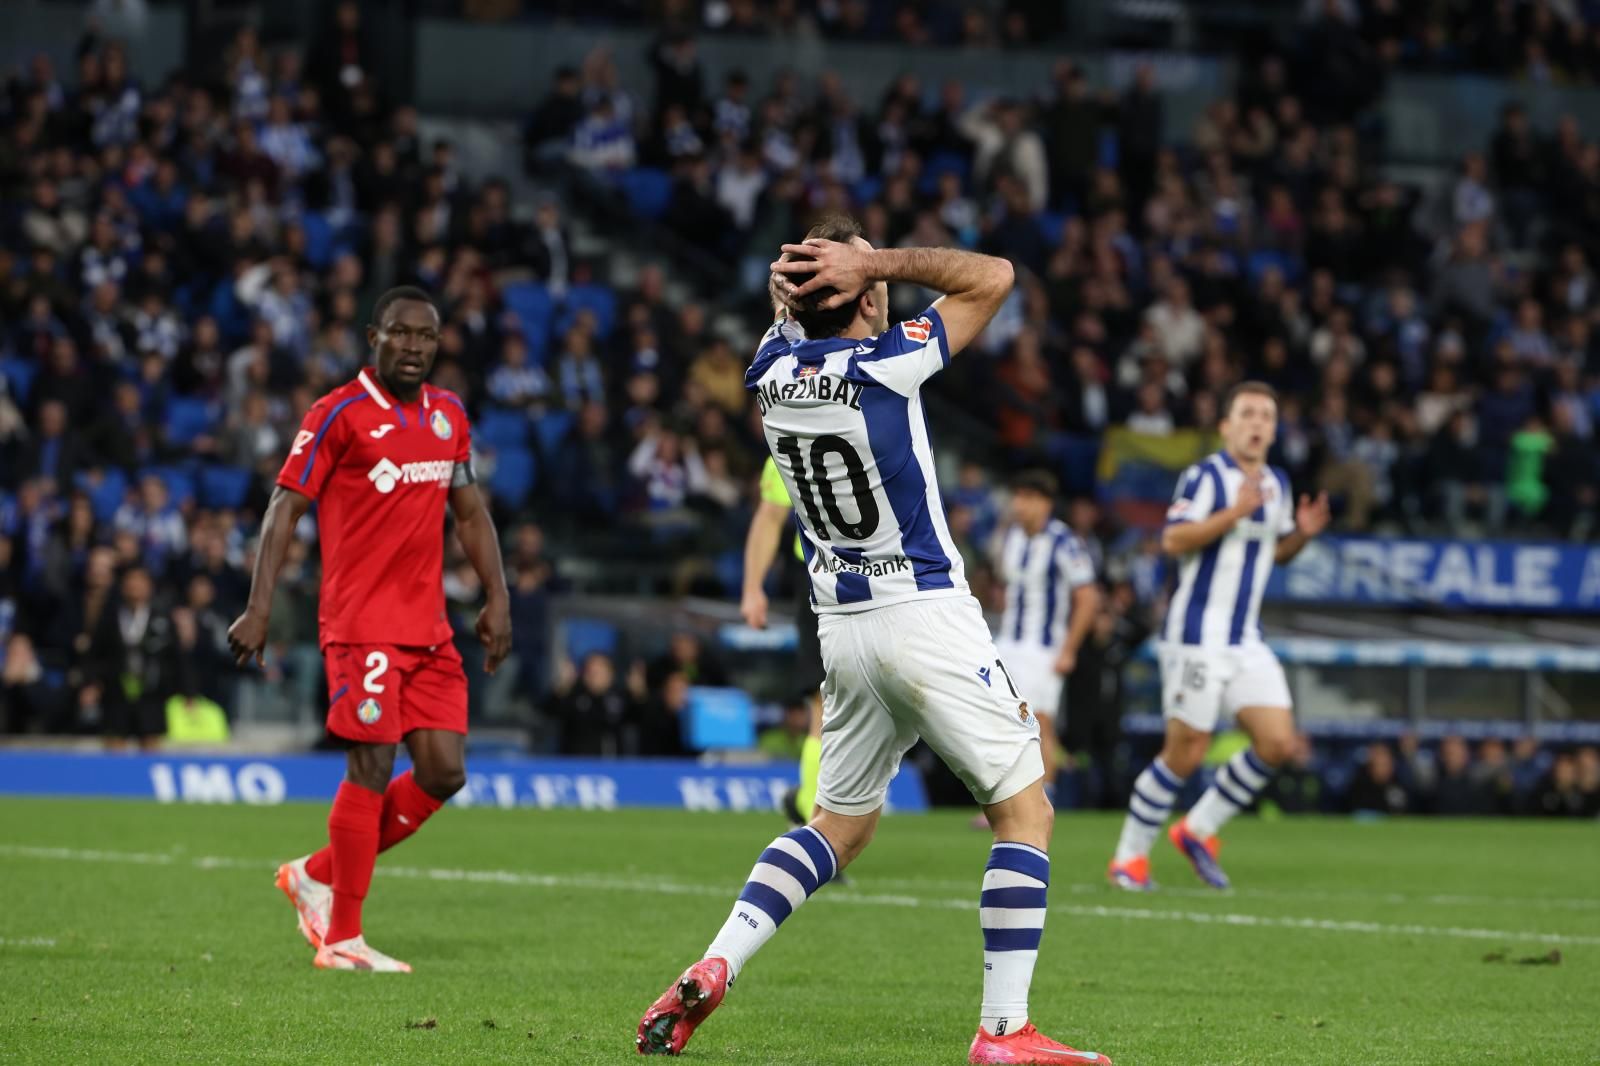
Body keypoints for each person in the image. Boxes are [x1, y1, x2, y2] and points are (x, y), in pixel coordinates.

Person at [637, 219, 1112, 1065]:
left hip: (841, 628)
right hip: (924, 612)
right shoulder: (887, 365)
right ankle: (1004, 1031)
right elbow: (994, 276)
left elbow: (790, 322)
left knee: (838, 827)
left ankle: (719, 959)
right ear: (864, 294)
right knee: (1024, 812)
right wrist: (879, 260)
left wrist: (824, 283)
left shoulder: (770, 373)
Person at [227, 286, 511, 973]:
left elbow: (469, 513)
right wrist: (259, 606)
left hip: (430, 628)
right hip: (361, 624)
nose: (414, 347)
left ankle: (317, 873)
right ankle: (343, 937)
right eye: (400, 333)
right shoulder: (338, 414)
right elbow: (284, 507)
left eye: (426, 337)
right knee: (372, 764)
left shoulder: (448, 416)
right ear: (372, 337)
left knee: (444, 773)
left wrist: (498, 596)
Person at [1107, 381, 1329, 892]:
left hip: (1245, 638)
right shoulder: (1205, 477)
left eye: (1266, 417)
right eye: (1247, 414)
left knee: (1277, 742)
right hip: (1195, 635)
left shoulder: (1276, 484)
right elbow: (1172, 538)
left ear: (1274, 430)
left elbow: (1271, 554)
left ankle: (1198, 830)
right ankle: (1129, 858)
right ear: (1227, 425)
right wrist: (1233, 513)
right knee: (1185, 752)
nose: (1257, 424)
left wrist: (1303, 535)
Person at [990, 469, 1099, 801]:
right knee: (1002, 721)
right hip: (1009, 641)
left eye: (1026, 498)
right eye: (1017, 497)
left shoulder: (1064, 542)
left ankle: (1044, 799)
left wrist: (1069, 649)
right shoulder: (1012, 538)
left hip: (1044, 648)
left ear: (1045, 503)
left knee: (1039, 723)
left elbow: (1088, 597)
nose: (1019, 505)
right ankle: (1006, 800)